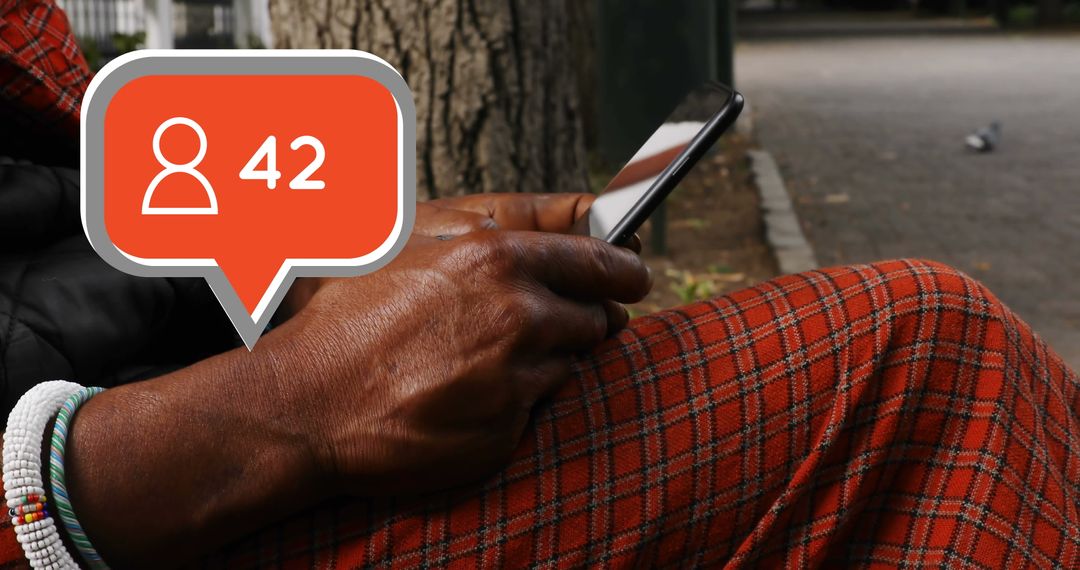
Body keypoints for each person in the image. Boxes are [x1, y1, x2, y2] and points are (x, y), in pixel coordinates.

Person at [2, 2, 1078, 568]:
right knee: (929, 361)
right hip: (132, 506)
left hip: (150, 391)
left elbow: (62, 191)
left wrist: (330, 259)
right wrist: (292, 406)